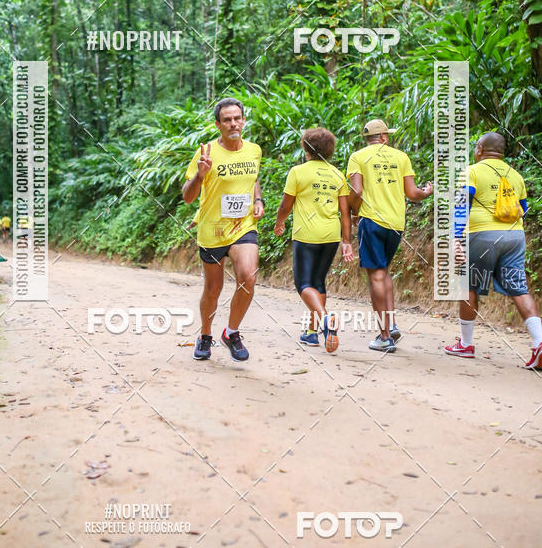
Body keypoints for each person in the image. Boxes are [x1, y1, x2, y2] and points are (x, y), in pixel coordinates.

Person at [447, 132, 542, 369]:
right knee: (519, 287)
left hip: (481, 235)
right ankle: (539, 341)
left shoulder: (472, 171)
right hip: (515, 236)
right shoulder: (516, 176)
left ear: (480, 148)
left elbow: (462, 205)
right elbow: (523, 209)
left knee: (469, 285)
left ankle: (466, 344)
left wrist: (456, 238)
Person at [183, 98, 263, 362]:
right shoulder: (205, 152)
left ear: (243, 120)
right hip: (212, 230)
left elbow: (253, 178)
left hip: (243, 228)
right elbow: (187, 197)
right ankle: (205, 335)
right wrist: (200, 175)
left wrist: (259, 200)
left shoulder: (254, 150)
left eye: (237, 118)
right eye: (227, 119)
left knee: (248, 277)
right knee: (213, 289)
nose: (233, 123)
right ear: (218, 124)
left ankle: (231, 332)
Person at [347, 119, 433, 353]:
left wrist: (354, 212)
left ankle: (385, 337)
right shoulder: (401, 157)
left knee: (375, 274)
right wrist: (428, 191)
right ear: (383, 137)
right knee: (383, 271)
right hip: (396, 224)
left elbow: (356, 190)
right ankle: (391, 324)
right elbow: (413, 193)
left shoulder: (358, 156)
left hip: (372, 221)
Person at [274, 127, 354, 352]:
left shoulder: (298, 172)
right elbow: (345, 212)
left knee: (304, 284)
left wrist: (280, 222)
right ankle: (311, 332)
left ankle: (326, 320)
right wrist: (346, 241)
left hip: (306, 234)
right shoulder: (337, 174)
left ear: (305, 148)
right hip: (330, 235)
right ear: (329, 150)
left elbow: (285, 204)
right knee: (318, 282)